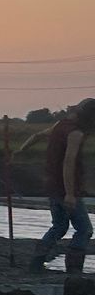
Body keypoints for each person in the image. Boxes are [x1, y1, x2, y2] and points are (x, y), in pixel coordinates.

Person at [29, 98, 94, 277]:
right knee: (84, 229)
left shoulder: (60, 125)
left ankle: (35, 263)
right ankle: (73, 270)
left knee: (59, 226)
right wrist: (70, 194)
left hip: (52, 186)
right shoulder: (75, 134)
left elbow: (38, 136)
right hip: (65, 188)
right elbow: (68, 164)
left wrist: (22, 150)